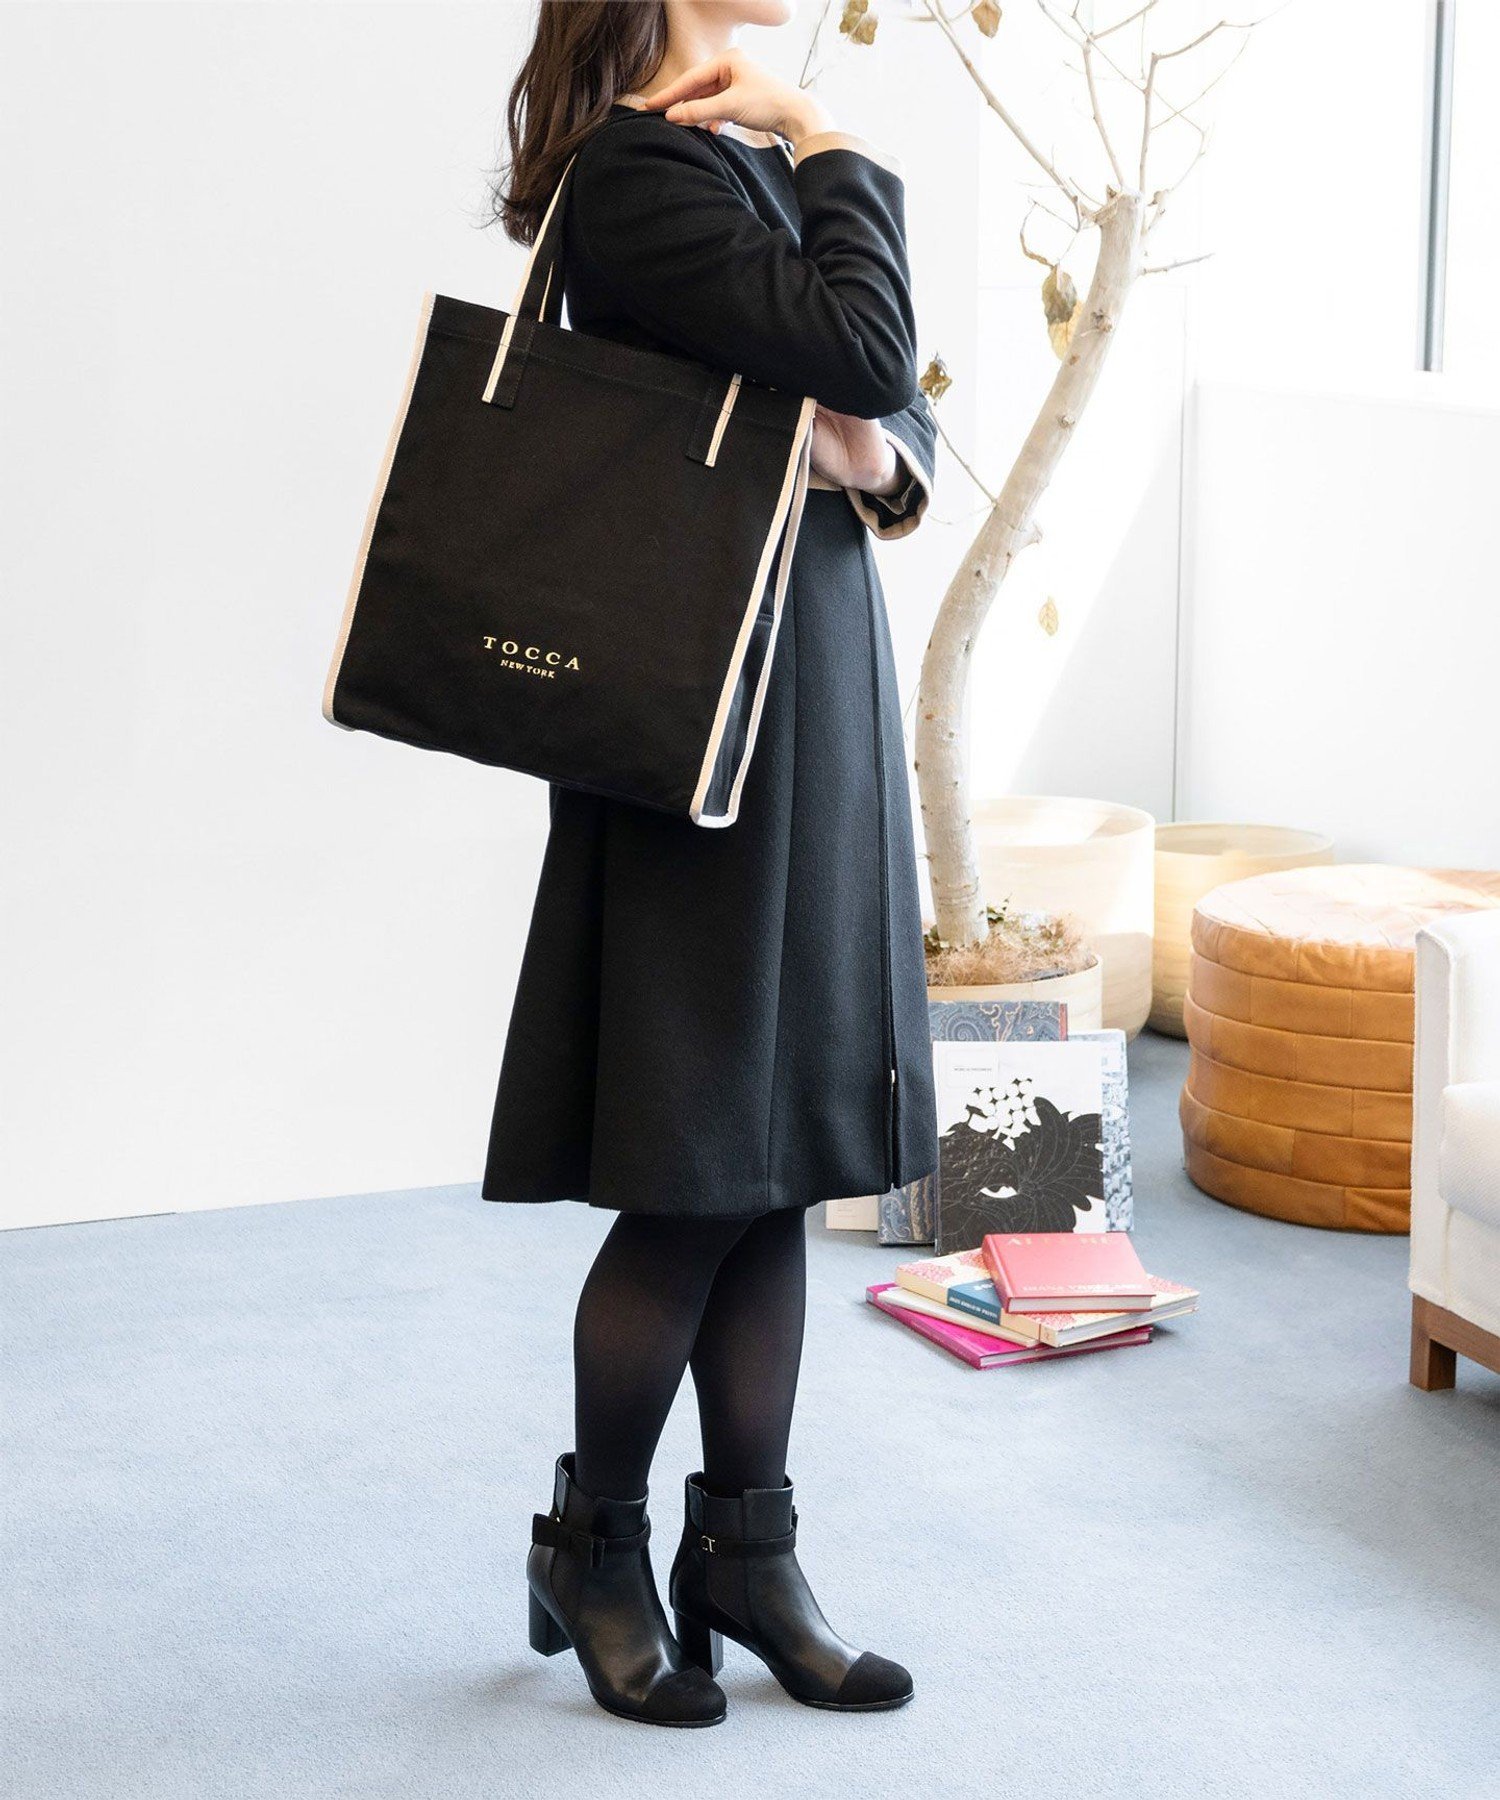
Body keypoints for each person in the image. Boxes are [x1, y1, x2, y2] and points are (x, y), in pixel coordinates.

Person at [486, 0, 938, 1727]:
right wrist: (824, 135)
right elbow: (866, 350)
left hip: (811, 679)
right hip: (705, 711)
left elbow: (885, 423)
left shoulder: (726, 165)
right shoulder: (639, 173)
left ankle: (746, 1554)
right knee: (697, 1162)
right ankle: (593, 1547)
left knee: (778, 1154)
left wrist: (862, 443)